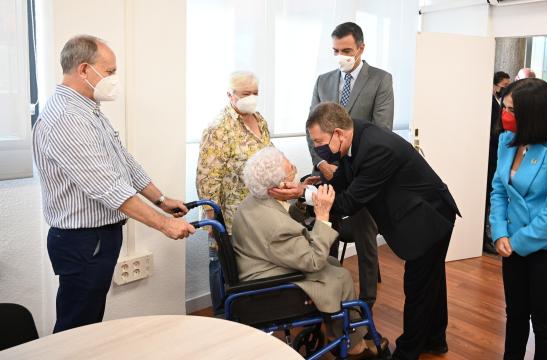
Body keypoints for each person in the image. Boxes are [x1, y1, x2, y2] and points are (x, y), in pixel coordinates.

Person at [272, 102, 460, 360]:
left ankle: (407, 352)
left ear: (338, 133)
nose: (317, 148)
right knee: (432, 281)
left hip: (428, 216)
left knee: (418, 286)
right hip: (421, 210)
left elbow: (349, 202)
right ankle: (436, 340)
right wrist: (318, 185)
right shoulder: (355, 135)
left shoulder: (376, 149)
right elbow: (345, 178)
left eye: (318, 141)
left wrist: (304, 193)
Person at [32, 35, 195, 333]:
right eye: (109, 72)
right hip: (82, 241)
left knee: (89, 320)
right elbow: (108, 187)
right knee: (76, 327)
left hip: (98, 237)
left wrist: (160, 199)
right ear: (83, 70)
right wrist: (163, 224)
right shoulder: (66, 118)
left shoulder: (87, 109)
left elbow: (123, 161)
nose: (114, 79)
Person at [232, 147, 388, 359]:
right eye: (291, 173)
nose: (295, 175)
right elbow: (313, 260)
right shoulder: (275, 226)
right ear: (278, 187)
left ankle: (343, 332)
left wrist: (299, 201)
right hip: (272, 285)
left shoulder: (253, 202)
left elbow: (288, 224)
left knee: (332, 262)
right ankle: (351, 345)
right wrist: (322, 215)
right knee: (339, 275)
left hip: (262, 265)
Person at [490, 78, 547, 359]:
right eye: (504, 107)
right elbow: (497, 189)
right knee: (515, 315)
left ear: (534, 112)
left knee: (544, 324)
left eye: (512, 110)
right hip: (513, 244)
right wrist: (499, 232)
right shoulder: (507, 140)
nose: (505, 115)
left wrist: (516, 241)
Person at [307, 21, 394, 308]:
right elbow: (311, 128)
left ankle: (366, 300)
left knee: (365, 233)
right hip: (326, 172)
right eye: (335, 50)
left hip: (361, 174)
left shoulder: (380, 79)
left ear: (361, 48)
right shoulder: (323, 81)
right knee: (324, 228)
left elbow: (381, 131)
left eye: (346, 50)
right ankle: (326, 285)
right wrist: (321, 164)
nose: (341, 55)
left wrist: (345, 169)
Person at [196, 71, 272, 314]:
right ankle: (222, 315)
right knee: (221, 266)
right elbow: (208, 176)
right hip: (229, 216)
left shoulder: (259, 120)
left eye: (255, 93)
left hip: (259, 210)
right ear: (230, 95)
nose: (251, 98)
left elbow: (268, 156)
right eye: (245, 93)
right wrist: (211, 219)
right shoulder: (219, 127)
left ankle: (250, 312)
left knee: (252, 265)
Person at [485, 71, 511, 254]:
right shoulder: (489, 103)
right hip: (490, 154)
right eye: (504, 85)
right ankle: (486, 237)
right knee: (490, 195)